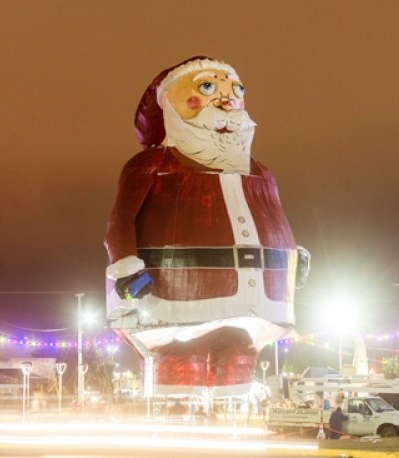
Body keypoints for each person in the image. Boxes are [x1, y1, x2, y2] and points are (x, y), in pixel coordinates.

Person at [104, 57, 310, 395]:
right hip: (173, 294)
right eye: (208, 88)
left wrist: (291, 260)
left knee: (240, 354)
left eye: (236, 89)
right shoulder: (152, 165)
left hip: (258, 299)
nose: (227, 99)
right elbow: (120, 219)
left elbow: (273, 215)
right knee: (182, 356)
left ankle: (231, 413)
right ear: (169, 102)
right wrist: (127, 266)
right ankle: (176, 414)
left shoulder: (260, 171)